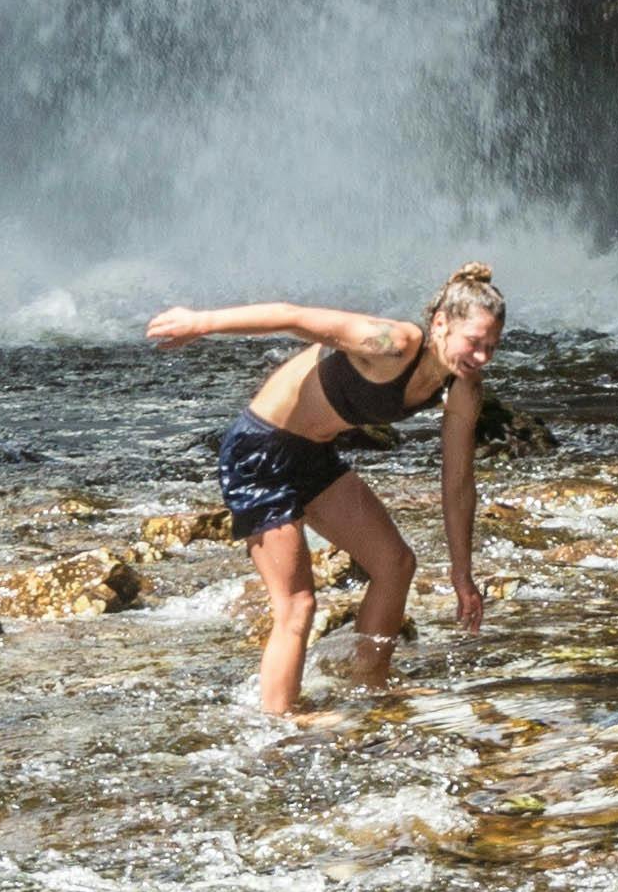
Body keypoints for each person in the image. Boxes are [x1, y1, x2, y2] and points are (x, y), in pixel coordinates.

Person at [147, 267, 503, 723]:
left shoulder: (463, 387)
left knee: (395, 564)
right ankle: (279, 723)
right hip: (259, 451)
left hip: (313, 455)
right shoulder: (390, 342)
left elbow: (457, 484)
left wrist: (462, 573)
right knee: (297, 603)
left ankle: (368, 685)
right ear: (440, 325)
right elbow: (291, 316)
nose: (482, 356)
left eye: (491, 346)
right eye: (474, 341)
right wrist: (200, 323)